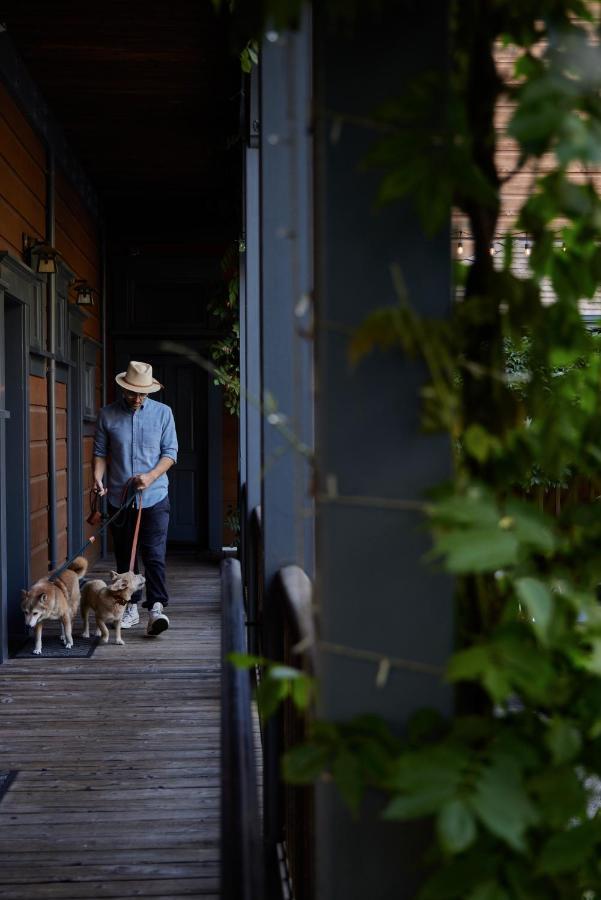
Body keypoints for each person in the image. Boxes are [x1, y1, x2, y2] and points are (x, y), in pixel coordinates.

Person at [92, 360, 178, 635]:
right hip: (119, 496)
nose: (137, 398)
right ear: (123, 389)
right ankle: (129, 607)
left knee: (154, 554)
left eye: (142, 393)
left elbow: (170, 453)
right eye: (132, 393)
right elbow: (101, 453)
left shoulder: (164, 414)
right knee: (125, 558)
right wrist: (97, 478)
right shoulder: (107, 415)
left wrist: (151, 477)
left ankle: (156, 608)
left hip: (154, 496)